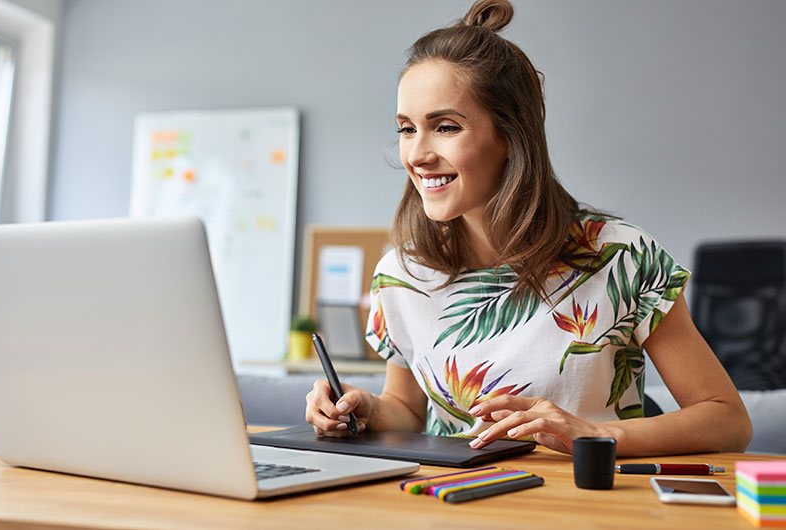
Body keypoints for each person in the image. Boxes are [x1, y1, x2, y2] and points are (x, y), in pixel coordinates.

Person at [305, 0, 752, 456]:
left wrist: (595, 435)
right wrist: (365, 411)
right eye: (406, 129)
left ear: (509, 135)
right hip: (455, 503)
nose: (417, 154)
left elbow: (727, 418)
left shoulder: (621, 258)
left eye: (444, 127)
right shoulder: (402, 275)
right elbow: (407, 408)